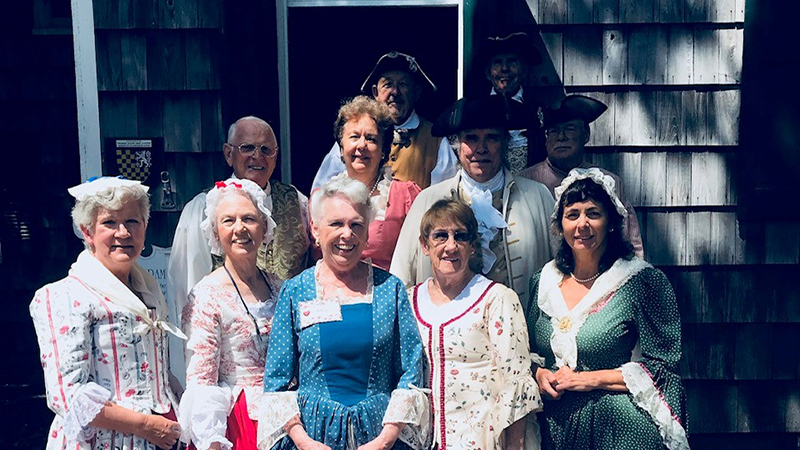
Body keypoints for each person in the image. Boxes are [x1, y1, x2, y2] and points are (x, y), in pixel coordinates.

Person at [258, 177, 429, 450]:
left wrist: (385, 440)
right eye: (336, 224)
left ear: (367, 232)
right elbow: (276, 380)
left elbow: (411, 371)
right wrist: (303, 442)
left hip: (380, 437)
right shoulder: (295, 291)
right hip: (313, 437)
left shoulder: (391, 289)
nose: (346, 234)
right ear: (315, 228)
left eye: (356, 225)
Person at [526, 168, 688, 450]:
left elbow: (662, 367)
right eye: (572, 215)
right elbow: (526, 355)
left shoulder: (640, 280)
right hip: (552, 430)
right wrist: (540, 375)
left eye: (593, 214)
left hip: (615, 430)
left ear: (611, 222)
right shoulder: (544, 281)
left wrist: (587, 380)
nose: (582, 224)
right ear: (559, 225)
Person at [30, 177, 185, 450]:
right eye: (109, 223)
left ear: (145, 228)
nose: (123, 233)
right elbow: (68, 396)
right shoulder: (66, 296)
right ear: (87, 232)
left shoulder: (148, 292)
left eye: (132, 221)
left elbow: (157, 376)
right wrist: (147, 426)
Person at [168, 116, 311, 385]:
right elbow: (187, 292)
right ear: (228, 153)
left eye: (266, 149)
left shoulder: (299, 203)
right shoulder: (202, 209)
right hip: (228, 375)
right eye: (247, 148)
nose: (257, 156)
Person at [391, 95, 554, 308]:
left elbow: (561, 271)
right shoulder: (428, 200)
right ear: (457, 145)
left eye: (492, 138)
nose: (481, 148)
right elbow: (401, 274)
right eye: (471, 138)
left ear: (505, 143)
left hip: (518, 332)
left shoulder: (537, 196)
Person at [409, 199, 541, 450]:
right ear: (425, 245)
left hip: (482, 440)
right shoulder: (409, 301)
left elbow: (516, 383)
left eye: (460, 236)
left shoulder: (497, 298)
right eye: (440, 236)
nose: (451, 246)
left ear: (472, 246)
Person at [179, 178, 282, 450]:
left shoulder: (280, 287)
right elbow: (202, 381)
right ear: (215, 232)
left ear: (264, 228)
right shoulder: (206, 296)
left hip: (285, 417)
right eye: (228, 221)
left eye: (249, 218)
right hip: (240, 424)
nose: (240, 229)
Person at [518, 94, 644, 257]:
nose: (561, 137)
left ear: (586, 135)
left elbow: (630, 242)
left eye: (569, 128)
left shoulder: (607, 182)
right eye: (554, 131)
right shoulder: (526, 182)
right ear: (546, 139)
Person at [312, 52, 458, 190]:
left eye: (403, 84)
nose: (394, 92)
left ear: (416, 93)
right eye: (388, 84)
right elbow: (322, 191)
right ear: (375, 92)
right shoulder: (353, 137)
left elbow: (445, 199)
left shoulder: (435, 140)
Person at [322, 95, 421, 270]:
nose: (362, 145)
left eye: (371, 139)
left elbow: (419, 258)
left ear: (383, 150)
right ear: (341, 146)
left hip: (388, 292)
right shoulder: (323, 197)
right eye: (354, 137)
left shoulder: (406, 196)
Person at [474, 32, 551, 174]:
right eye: (497, 62)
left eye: (511, 61)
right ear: (487, 72)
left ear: (524, 70)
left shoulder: (539, 112)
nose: (504, 68)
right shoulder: (473, 110)